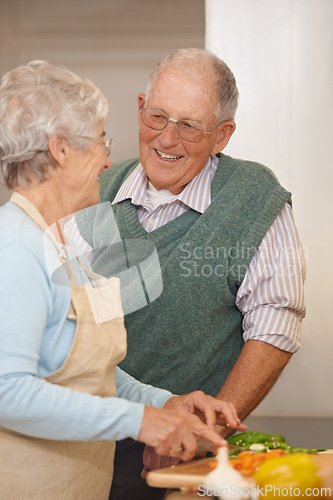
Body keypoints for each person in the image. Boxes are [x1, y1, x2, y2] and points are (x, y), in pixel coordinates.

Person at [0, 60, 247, 500]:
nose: (109, 158)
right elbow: (7, 391)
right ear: (60, 149)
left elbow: (89, 374)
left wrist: (164, 403)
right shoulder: (16, 249)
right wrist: (139, 422)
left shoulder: (55, 240)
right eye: (99, 140)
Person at [67, 48, 306, 499]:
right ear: (140, 108)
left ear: (223, 135)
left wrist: (199, 429)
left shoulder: (253, 197)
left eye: (190, 125)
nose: (167, 138)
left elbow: (276, 324)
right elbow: (69, 333)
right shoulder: (95, 192)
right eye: (157, 116)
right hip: (86, 450)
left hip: (192, 464)